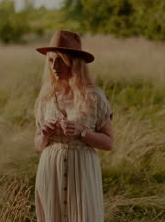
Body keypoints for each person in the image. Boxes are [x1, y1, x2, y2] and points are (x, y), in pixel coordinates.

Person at [33, 30, 113, 222]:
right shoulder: (46, 97)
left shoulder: (94, 97)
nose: (54, 66)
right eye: (51, 61)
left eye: (60, 60)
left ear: (74, 62)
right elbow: (38, 144)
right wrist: (44, 134)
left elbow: (109, 142)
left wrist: (82, 132)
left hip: (83, 172)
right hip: (50, 170)